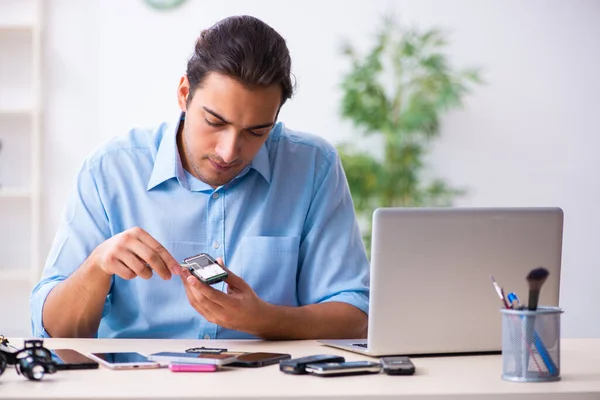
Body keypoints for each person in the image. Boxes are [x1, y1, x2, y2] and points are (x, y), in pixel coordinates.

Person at [30, 15, 369, 340]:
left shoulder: (312, 166)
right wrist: (97, 267)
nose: (229, 151)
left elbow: (358, 316)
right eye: (215, 122)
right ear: (183, 94)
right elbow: (54, 331)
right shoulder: (109, 171)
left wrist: (265, 319)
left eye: (256, 131)